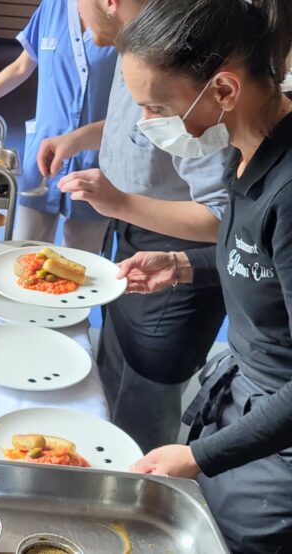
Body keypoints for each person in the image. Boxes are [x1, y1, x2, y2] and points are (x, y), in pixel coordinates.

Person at [111, 0, 292, 551]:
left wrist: (199, 456)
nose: (147, 127)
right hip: (242, 406)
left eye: (158, 108)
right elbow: (255, 260)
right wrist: (184, 264)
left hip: (276, 440)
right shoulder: (246, 150)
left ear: (223, 91)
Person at [36, 0, 230, 453]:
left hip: (181, 260)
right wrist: (79, 138)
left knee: (145, 405)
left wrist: (120, 202)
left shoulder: (181, 63)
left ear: (109, 2)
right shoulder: (133, 50)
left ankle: (138, 500)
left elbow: (224, 220)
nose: (74, 14)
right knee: (109, 372)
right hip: (130, 237)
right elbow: (135, 125)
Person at [0, 0, 117, 252]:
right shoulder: (53, 8)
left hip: (97, 157)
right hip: (42, 155)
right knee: (22, 250)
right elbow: (21, 66)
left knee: (83, 259)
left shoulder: (125, 13)